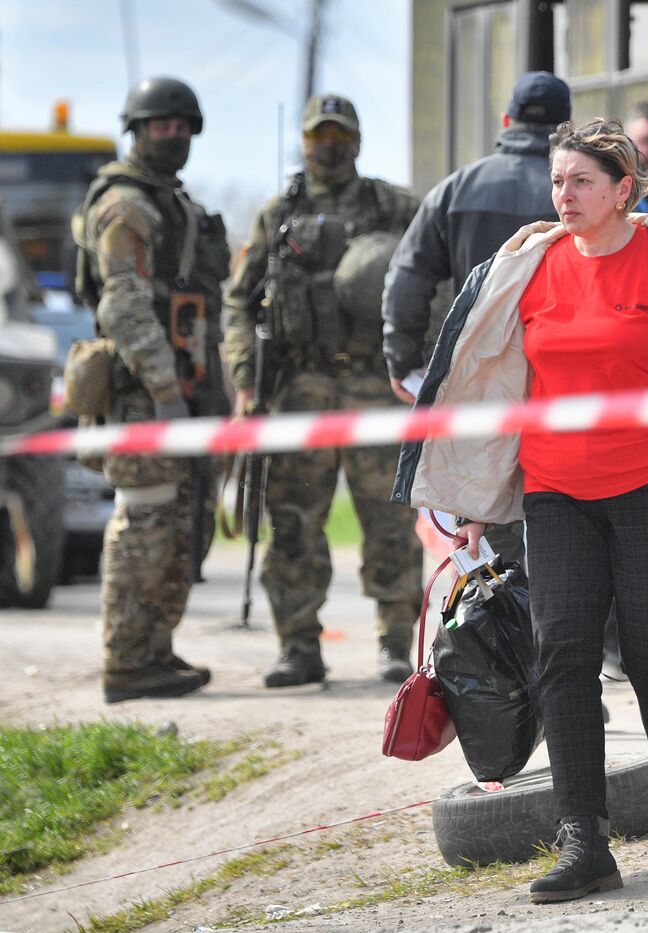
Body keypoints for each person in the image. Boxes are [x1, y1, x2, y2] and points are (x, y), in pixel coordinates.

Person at [392, 119, 648, 903]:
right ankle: (583, 838)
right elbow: (493, 383)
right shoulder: (525, 267)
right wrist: (472, 498)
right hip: (556, 489)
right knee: (562, 655)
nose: (562, 196)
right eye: (557, 181)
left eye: (580, 182)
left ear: (623, 191)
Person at [224, 94, 422, 688]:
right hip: (301, 390)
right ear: (304, 142)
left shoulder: (395, 207)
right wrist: (242, 380)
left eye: (339, 137)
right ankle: (298, 646)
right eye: (318, 137)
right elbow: (239, 301)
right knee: (292, 523)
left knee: (389, 522)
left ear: (357, 141)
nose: (329, 148)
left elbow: (436, 278)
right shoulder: (275, 216)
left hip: (375, 386)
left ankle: (394, 642)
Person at [71, 77, 229, 704]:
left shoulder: (173, 202)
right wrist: (164, 388)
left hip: (182, 391)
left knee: (178, 525)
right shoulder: (126, 206)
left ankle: (154, 652)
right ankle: (127, 660)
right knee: (144, 523)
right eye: (161, 125)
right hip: (144, 396)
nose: (174, 135)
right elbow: (123, 307)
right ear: (137, 130)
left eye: (183, 125)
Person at [382, 71, 570, 568]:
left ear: (506, 121)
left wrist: (404, 363)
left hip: (482, 376)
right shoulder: (583, 188)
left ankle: (497, 635)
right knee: (569, 525)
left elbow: (407, 276)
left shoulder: (457, 187)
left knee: (486, 534)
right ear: (566, 128)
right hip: (565, 377)